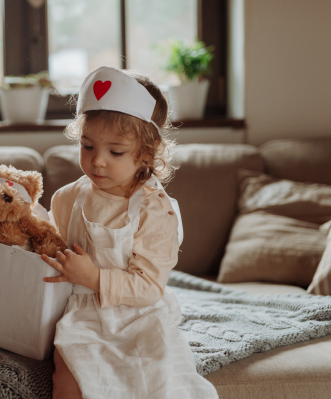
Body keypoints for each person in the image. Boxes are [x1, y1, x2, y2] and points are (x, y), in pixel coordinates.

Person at [40, 66, 219, 399]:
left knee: (155, 383)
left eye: (116, 152)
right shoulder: (68, 198)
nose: (98, 162)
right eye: (87, 146)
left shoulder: (155, 210)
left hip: (138, 318)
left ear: (146, 154)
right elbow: (50, 248)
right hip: (81, 317)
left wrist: (94, 277)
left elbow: (150, 286)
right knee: (69, 383)